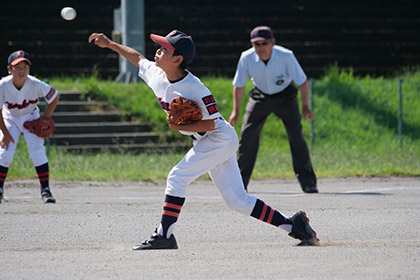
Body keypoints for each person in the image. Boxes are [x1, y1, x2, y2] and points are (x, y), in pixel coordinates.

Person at [88, 30, 319, 249]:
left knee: (176, 177)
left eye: (165, 49)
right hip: (206, 142)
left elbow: (210, 123)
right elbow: (137, 58)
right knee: (237, 201)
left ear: (178, 59)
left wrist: (179, 125)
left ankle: (164, 236)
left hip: (218, 137)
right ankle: (295, 225)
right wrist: (109, 44)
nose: (158, 50)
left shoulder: (195, 87)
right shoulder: (157, 74)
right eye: (160, 46)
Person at [228, 26, 318, 193]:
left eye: (264, 43)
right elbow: (239, 85)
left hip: (286, 97)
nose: (260, 48)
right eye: (256, 44)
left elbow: (302, 81)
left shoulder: (286, 56)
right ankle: (239, 184)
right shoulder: (246, 58)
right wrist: (235, 111)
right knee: (247, 137)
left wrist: (305, 106)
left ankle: (308, 182)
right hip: (260, 97)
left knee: (296, 136)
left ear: (273, 43)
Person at [0, 50, 60, 204]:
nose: (22, 71)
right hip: (9, 118)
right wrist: (5, 133)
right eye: (17, 67)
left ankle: (45, 190)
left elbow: (55, 95)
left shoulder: (34, 83)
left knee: (37, 152)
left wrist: (45, 118)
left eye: (25, 67)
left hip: (31, 116)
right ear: (9, 69)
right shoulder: (3, 85)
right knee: (5, 153)